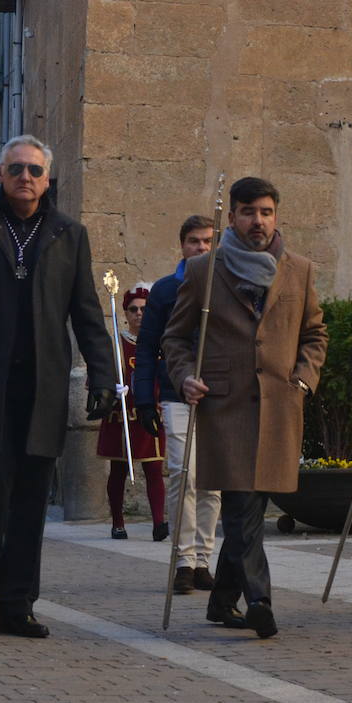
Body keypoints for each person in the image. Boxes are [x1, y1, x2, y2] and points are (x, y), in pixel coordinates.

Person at [0, 134, 116, 638]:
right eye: (16, 170)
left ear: (47, 178)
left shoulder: (69, 234)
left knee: (31, 499)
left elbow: (87, 311)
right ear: (0, 176)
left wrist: (103, 375)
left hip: (42, 387)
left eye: (34, 170)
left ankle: (18, 603)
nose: (25, 178)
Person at [162, 177, 327, 639]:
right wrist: (184, 376)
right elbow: (174, 338)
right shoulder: (202, 271)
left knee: (252, 507)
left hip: (279, 406)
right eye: (250, 212)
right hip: (225, 407)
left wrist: (303, 379)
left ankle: (221, 601)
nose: (259, 221)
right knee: (240, 507)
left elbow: (316, 334)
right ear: (232, 216)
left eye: (267, 212)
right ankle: (260, 601)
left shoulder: (300, 269)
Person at [134, 214, 220, 594]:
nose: (201, 248)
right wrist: (144, 400)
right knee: (182, 474)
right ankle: (183, 558)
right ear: (182, 245)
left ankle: (203, 558)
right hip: (175, 392)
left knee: (212, 482)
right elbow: (149, 346)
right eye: (194, 242)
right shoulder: (166, 291)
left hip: (220, 395)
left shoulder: (228, 286)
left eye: (207, 241)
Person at [97, 282, 167, 539]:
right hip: (122, 416)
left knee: (154, 469)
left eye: (144, 310)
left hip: (149, 416)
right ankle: (118, 522)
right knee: (119, 471)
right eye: (134, 309)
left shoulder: (159, 343)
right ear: (125, 313)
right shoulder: (115, 344)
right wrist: (110, 388)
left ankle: (159, 523)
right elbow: (97, 379)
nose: (139, 314)